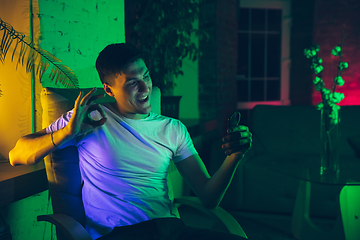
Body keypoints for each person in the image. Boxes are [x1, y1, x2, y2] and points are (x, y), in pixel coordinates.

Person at [9, 43, 252, 240]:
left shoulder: (172, 129)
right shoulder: (88, 119)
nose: (146, 87)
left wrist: (235, 156)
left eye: (146, 75)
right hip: (120, 234)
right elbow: (17, 155)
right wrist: (65, 134)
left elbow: (209, 198)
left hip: (170, 230)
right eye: (133, 82)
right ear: (109, 89)